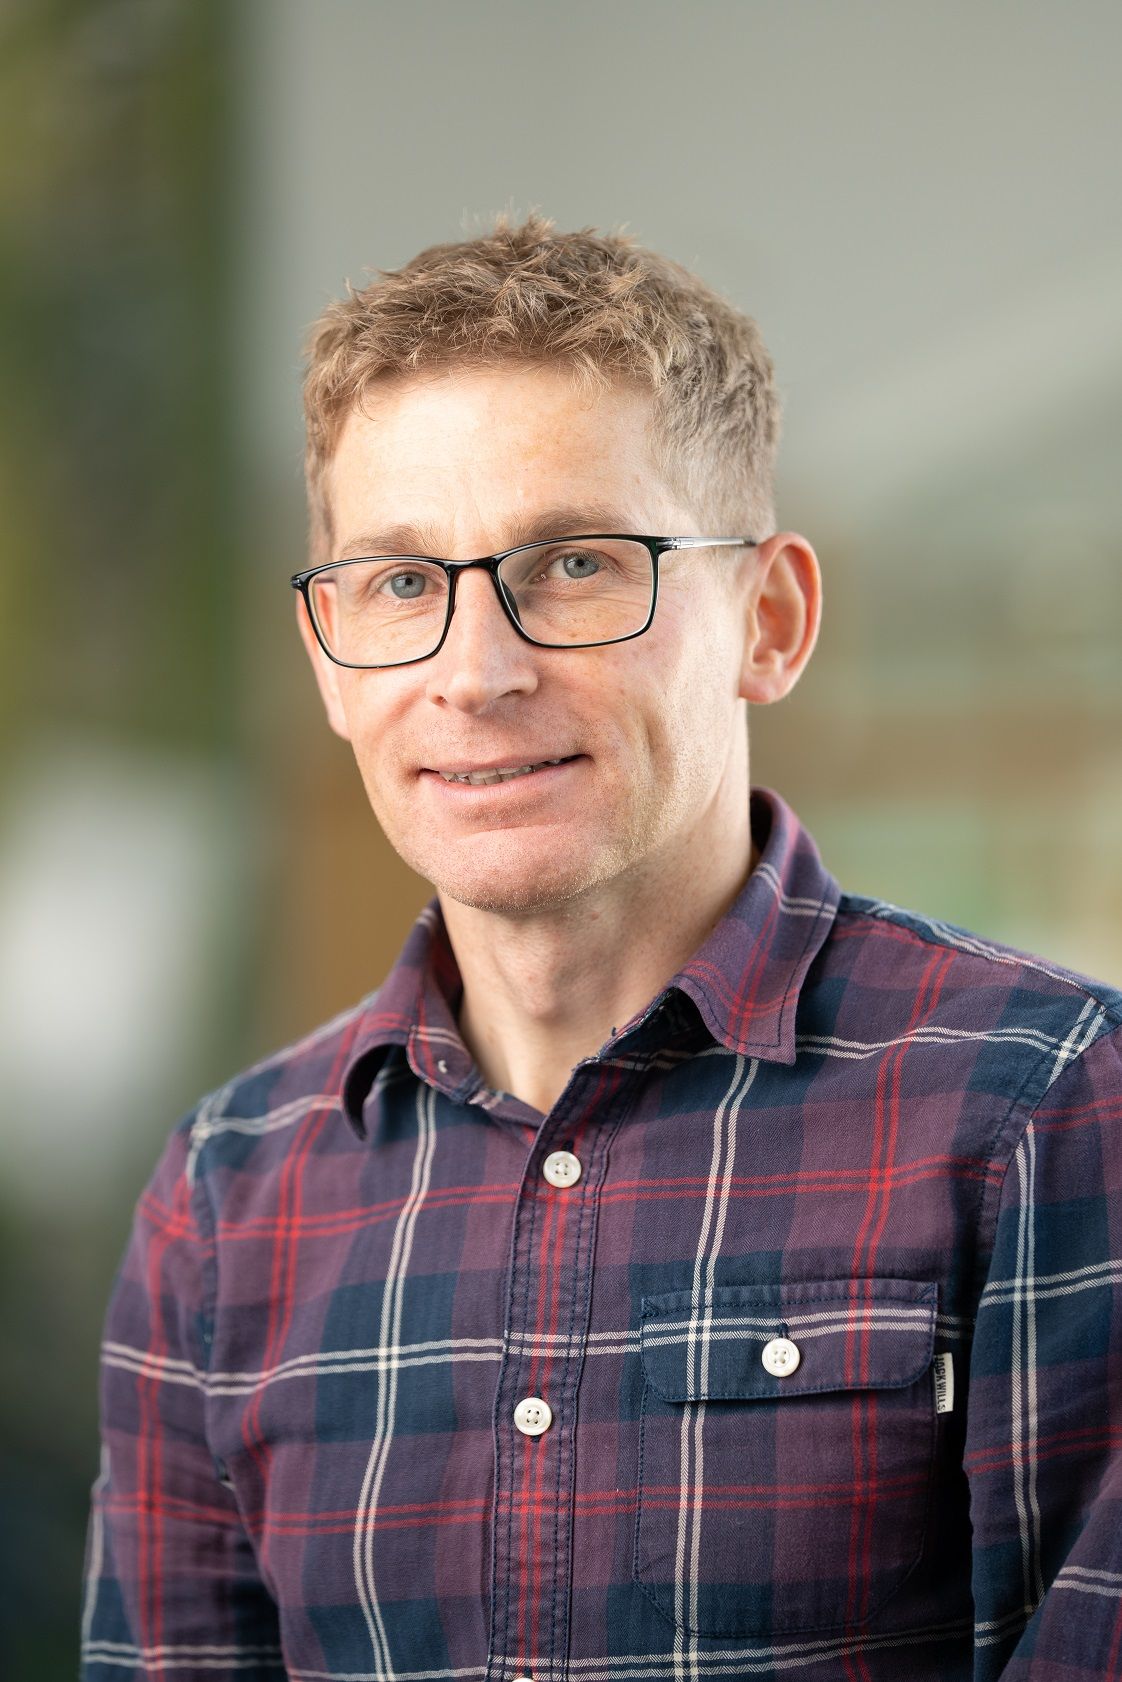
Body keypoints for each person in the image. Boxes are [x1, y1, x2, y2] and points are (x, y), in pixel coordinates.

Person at [80, 216, 1122, 1682]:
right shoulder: (225, 1194)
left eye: (573, 563)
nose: (471, 670)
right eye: (395, 584)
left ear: (767, 618)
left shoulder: (1052, 1109)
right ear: (326, 661)